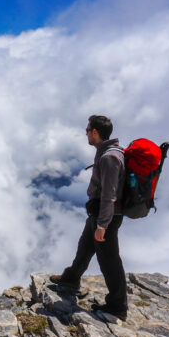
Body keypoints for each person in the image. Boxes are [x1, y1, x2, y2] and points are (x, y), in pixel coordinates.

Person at [50, 115, 128, 320]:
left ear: (95, 132)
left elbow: (109, 195)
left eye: (87, 130)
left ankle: (118, 306)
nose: (85, 133)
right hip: (98, 214)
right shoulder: (105, 152)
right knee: (85, 246)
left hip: (107, 218)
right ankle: (70, 279)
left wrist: (102, 225)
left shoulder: (109, 157)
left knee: (109, 261)